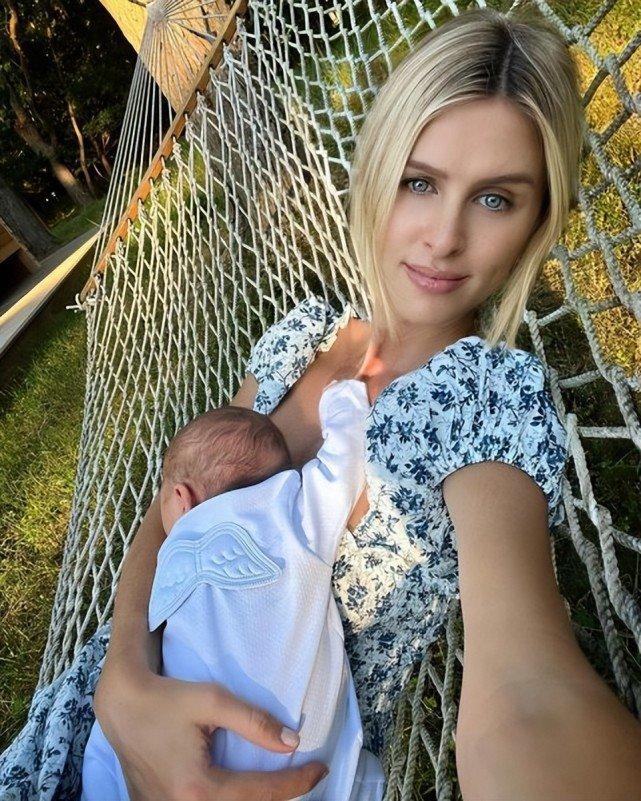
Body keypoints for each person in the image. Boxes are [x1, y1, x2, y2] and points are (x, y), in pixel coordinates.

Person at [3, 6, 641, 801]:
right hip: (87, 720)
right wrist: (122, 681)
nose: (443, 237)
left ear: (535, 219)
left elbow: (528, 692)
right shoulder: (298, 337)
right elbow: (177, 505)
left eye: (494, 199)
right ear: (376, 173)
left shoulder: (485, 399)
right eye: (419, 182)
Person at [80, 382, 385, 801]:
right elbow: (342, 469)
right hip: (297, 767)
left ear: (181, 498)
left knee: (105, 756)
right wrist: (344, 402)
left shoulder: (175, 550)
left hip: (163, 735)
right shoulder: (291, 513)